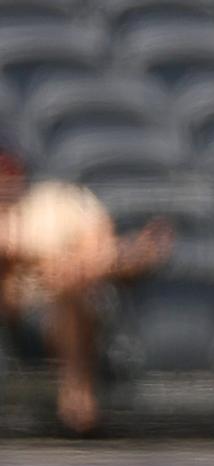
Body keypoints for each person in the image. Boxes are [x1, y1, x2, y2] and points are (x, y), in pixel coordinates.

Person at [0, 136, 172, 435]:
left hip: (78, 302)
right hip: (17, 313)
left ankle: (77, 395)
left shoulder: (56, 200)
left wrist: (73, 265)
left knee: (74, 289)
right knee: (78, 276)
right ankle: (78, 396)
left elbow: (96, 242)